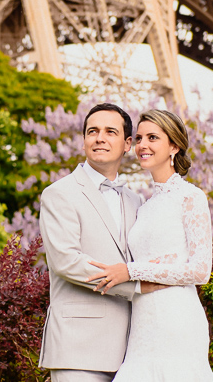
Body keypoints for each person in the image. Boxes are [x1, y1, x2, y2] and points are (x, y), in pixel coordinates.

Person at [88, 109, 213, 382]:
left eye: (152, 138)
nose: (142, 145)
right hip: (142, 324)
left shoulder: (191, 197)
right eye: (138, 138)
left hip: (177, 318)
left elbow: (200, 271)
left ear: (174, 145)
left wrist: (131, 271)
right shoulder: (144, 206)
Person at [38, 103, 165, 381]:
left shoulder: (135, 200)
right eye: (92, 131)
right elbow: (66, 261)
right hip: (78, 347)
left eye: (110, 131)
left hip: (134, 350)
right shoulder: (59, 194)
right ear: (84, 140)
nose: (99, 138)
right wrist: (136, 285)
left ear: (127, 143)